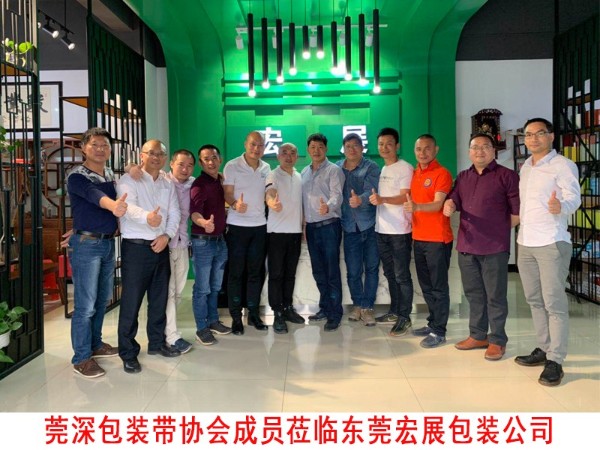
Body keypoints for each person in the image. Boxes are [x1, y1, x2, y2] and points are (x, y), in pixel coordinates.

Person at [514, 117, 581, 386]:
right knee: (534, 300)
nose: (533, 139)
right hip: (526, 242)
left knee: (554, 303)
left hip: (552, 242)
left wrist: (561, 207)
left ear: (551, 136)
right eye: (528, 135)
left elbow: (573, 197)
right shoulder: (526, 167)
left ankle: (556, 360)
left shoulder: (562, 165)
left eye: (539, 133)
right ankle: (544, 348)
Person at [443, 133, 520, 361]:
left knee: (495, 296)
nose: (480, 151)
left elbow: (517, 213)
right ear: (469, 151)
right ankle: (477, 335)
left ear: (493, 150)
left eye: (485, 146)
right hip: (467, 245)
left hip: (494, 247)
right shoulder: (463, 176)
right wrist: (449, 204)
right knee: (474, 294)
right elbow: (454, 199)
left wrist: (496, 231)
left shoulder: (507, 176)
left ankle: (497, 340)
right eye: (475, 147)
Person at [116, 139, 181, 374]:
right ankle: (128, 352)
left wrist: (166, 235)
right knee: (131, 302)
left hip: (161, 246)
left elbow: (175, 212)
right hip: (136, 248)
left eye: (160, 153)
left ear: (165, 158)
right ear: (142, 155)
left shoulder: (167, 182)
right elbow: (127, 207)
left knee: (159, 299)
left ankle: (156, 342)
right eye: (151, 153)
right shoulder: (129, 179)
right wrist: (147, 217)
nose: (156, 157)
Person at [67, 127, 127, 378]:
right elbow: (94, 196)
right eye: (95, 145)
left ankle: (95, 344)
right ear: (83, 148)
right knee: (85, 305)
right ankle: (81, 358)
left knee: (102, 300)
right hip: (87, 245)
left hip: (106, 243)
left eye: (105, 145)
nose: (101, 149)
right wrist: (114, 206)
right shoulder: (77, 175)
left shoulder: (110, 174)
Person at [403, 134, 453, 348]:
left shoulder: (442, 173)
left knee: (438, 287)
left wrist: (417, 207)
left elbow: (438, 204)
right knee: (426, 286)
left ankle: (440, 331)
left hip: (437, 240)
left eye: (427, 148)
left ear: (436, 149)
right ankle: (433, 324)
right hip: (419, 238)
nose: (422, 153)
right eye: (418, 149)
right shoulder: (415, 173)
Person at [223, 131, 271, 335]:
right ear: (245, 144)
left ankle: (253, 314)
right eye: (253, 144)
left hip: (260, 227)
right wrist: (235, 204)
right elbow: (227, 192)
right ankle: (236, 317)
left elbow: (269, 191)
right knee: (235, 273)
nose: (256, 148)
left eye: (260, 145)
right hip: (237, 227)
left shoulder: (266, 167)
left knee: (255, 272)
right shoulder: (232, 165)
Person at [368, 127, 415, 336]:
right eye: (381, 144)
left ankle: (405, 317)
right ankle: (395, 311)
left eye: (388, 144)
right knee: (389, 273)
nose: (384, 148)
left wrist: (383, 199)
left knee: (402, 275)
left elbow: (406, 197)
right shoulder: (384, 168)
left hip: (400, 231)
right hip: (382, 230)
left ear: (397, 146)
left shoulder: (405, 168)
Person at [301, 133, 345, 331]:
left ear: (326, 149)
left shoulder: (334, 170)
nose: (316, 151)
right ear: (308, 150)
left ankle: (335, 314)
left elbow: (337, 196)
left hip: (329, 226)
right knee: (318, 271)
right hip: (311, 228)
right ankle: (325, 308)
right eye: (312, 147)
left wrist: (327, 206)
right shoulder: (304, 172)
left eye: (320, 147)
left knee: (331, 271)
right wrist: (303, 225)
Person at [189, 144, 232, 345]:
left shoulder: (219, 181)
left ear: (220, 159)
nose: (211, 162)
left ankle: (213, 320)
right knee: (202, 288)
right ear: (201, 162)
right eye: (206, 159)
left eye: (214, 157)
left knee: (215, 287)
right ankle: (201, 328)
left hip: (220, 241)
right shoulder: (199, 185)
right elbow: (194, 212)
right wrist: (203, 222)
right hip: (203, 243)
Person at [337, 133, 381, 326]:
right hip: (349, 227)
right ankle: (357, 305)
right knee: (353, 270)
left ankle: (368, 307)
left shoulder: (371, 167)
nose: (352, 149)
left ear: (362, 148)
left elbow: (371, 190)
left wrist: (360, 200)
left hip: (370, 225)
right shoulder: (337, 168)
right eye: (348, 146)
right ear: (343, 149)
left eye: (356, 145)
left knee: (371, 268)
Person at [265, 143, 305, 334]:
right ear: (278, 156)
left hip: (295, 232)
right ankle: (278, 313)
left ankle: (288, 308)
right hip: (276, 233)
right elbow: (269, 192)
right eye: (284, 153)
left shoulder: (299, 176)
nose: (288, 156)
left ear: (297, 156)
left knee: (290, 274)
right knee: (276, 275)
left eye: (292, 153)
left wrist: (303, 227)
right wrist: (272, 202)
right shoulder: (273, 175)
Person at [164, 149, 196, 354]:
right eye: (181, 164)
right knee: (168, 291)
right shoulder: (162, 181)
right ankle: (172, 336)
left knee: (177, 292)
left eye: (189, 165)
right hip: (164, 244)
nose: (185, 169)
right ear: (171, 164)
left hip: (183, 244)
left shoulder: (193, 184)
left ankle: (166, 330)